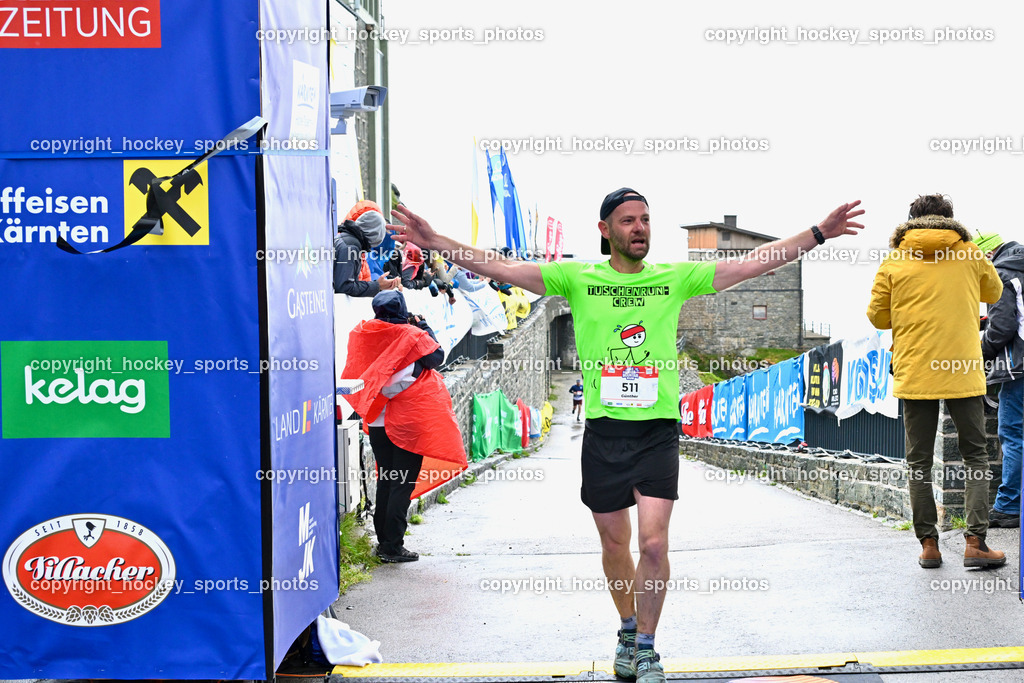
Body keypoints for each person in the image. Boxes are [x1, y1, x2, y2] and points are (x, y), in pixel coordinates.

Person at [390, 188, 863, 682]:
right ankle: (626, 628)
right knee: (615, 545)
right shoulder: (576, 278)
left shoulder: (673, 278)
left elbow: (749, 265)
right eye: (628, 221)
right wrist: (436, 241)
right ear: (605, 231)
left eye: (645, 220)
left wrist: (817, 234)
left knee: (654, 545)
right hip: (604, 434)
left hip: (656, 431)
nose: (640, 228)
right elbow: (500, 269)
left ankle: (647, 647)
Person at [867, 194, 1005, 570]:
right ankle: (975, 543)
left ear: (910, 221)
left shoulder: (895, 258)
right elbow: (993, 293)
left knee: (919, 463)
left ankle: (929, 545)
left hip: (915, 372)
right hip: (963, 370)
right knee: (976, 455)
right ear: (950, 219)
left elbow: (878, 318)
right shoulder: (970, 253)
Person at [341, 291, 468, 562]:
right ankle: (392, 546)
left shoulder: (365, 334)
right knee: (402, 484)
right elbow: (437, 357)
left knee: (387, 480)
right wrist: (423, 326)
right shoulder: (413, 336)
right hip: (409, 423)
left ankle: (384, 542)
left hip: (377, 421)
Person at [977, 231, 1024, 528]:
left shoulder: (1001, 274)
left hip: (1018, 368)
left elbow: (1002, 327)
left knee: (1012, 433)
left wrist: (978, 352)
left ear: (988, 254)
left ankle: (1008, 506)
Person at [334, 200, 401, 297]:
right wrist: (378, 286)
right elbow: (344, 286)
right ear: (376, 236)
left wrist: (377, 285)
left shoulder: (347, 239)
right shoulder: (352, 246)